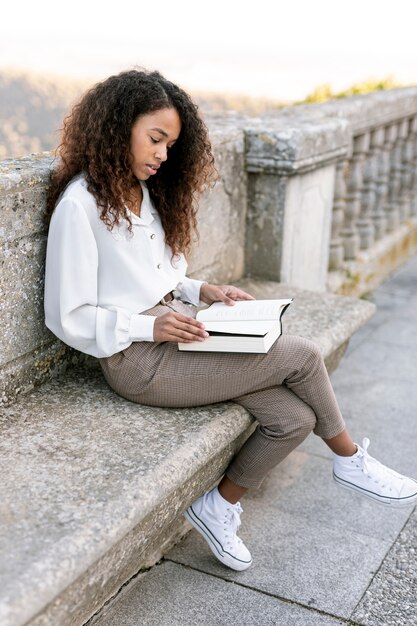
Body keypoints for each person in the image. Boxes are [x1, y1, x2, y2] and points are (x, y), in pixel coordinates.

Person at [44, 68, 417, 573]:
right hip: (138, 361)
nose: (162, 156)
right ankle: (351, 462)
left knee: (293, 420)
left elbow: (157, 277)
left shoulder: (140, 192)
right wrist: (146, 327)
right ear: (117, 128)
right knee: (302, 355)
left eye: (170, 146)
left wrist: (203, 291)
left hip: (179, 328)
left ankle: (217, 506)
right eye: (155, 140)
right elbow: (66, 314)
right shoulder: (81, 206)